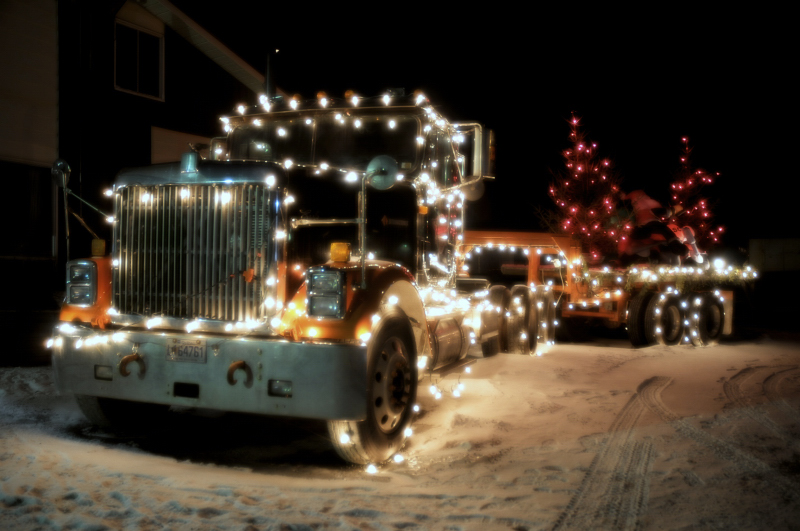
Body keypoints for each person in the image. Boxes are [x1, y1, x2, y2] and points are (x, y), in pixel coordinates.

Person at [617, 190, 688, 266]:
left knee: (663, 231)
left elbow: (661, 212)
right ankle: (675, 243)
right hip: (648, 226)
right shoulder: (640, 206)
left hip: (650, 224)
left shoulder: (645, 205)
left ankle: (675, 243)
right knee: (664, 231)